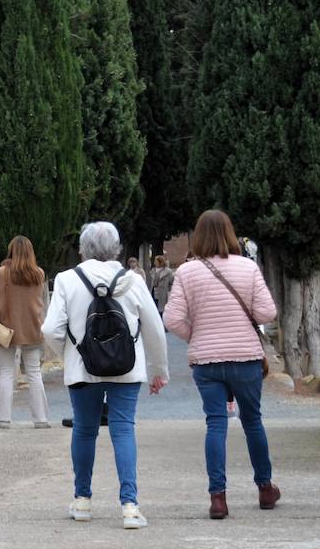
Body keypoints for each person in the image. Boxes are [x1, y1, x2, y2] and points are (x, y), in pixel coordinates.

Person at [42, 222, 168, 530]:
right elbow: (153, 327)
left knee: (84, 431)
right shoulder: (132, 280)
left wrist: (69, 355)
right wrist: (159, 370)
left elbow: (49, 329)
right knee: (123, 430)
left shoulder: (67, 279)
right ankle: (130, 506)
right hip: (127, 367)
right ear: (117, 249)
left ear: (83, 249)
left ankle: (82, 501)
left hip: (83, 369)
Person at [162, 209, 280, 520]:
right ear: (229, 233)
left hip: (207, 362)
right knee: (252, 421)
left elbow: (171, 319)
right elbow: (267, 313)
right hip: (246, 359)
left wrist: (197, 336)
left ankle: (218, 498)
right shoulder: (248, 268)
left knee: (215, 424)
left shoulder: (186, 272)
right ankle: (266, 489)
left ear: (198, 236)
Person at [0, 236, 50, 429]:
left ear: (11, 250)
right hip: (32, 327)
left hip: (6, 329)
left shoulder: (1, 273)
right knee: (34, 373)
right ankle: (40, 419)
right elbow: (43, 303)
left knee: (6, 372)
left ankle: (4, 419)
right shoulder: (38, 274)